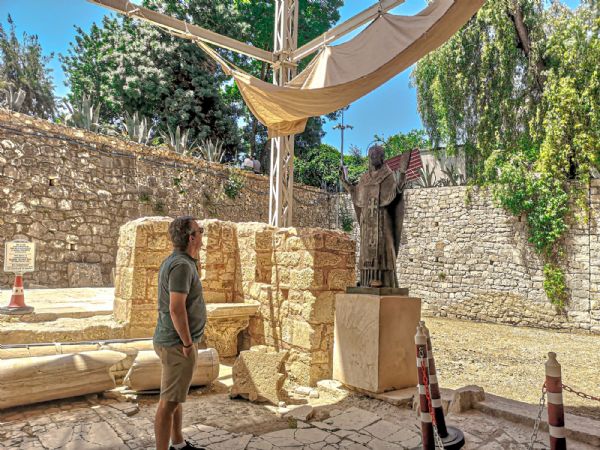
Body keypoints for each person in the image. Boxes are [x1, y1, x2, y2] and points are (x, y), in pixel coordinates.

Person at [153, 216, 207, 450]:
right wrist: (187, 343)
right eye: (199, 230)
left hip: (174, 341)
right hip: (177, 344)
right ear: (191, 237)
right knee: (168, 403)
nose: (202, 234)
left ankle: (178, 443)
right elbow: (176, 309)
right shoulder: (182, 266)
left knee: (176, 397)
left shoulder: (180, 261)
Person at [340, 145, 410, 288]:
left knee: (383, 250)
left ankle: (384, 281)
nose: (372, 157)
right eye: (370, 155)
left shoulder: (387, 175)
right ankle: (365, 281)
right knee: (366, 250)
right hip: (367, 220)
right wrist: (346, 183)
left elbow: (396, 190)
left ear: (382, 157)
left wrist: (402, 173)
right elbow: (357, 195)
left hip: (382, 221)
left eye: (375, 155)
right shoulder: (364, 178)